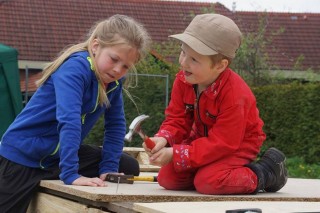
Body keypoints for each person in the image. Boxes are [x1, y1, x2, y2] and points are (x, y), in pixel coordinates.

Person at [0, 14, 151, 212]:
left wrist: (108, 169)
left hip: (55, 158)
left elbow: (115, 126)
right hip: (22, 158)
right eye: (114, 59)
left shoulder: (113, 82)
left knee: (128, 167)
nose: (117, 70)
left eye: (125, 66)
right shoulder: (75, 68)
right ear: (96, 46)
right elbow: (69, 121)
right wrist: (71, 175)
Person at [143, 14, 288, 195]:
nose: (183, 62)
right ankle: (208, 171)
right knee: (168, 179)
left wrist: (177, 154)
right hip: (202, 141)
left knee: (209, 183)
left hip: (237, 144)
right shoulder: (184, 80)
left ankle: (266, 172)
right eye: (183, 52)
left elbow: (224, 143)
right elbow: (177, 119)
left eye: (194, 59)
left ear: (220, 65)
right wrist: (163, 139)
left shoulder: (235, 95)